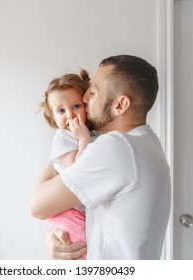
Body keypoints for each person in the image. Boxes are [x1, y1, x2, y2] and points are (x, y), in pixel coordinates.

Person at [30, 55, 171, 260]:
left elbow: (37, 206)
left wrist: (61, 150)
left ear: (120, 105)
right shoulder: (146, 142)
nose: (84, 98)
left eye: (93, 91)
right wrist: (54, 234)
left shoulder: (117, 148)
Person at [38, 69, 93, 259]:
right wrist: (84, 139)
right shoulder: (64, 137)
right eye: (61, 110)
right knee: (81, 252)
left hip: (77, 212)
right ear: (53, 117)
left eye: (76, 106)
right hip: (68, 214)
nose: (70, 115)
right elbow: (77, 174)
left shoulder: (84, 133)